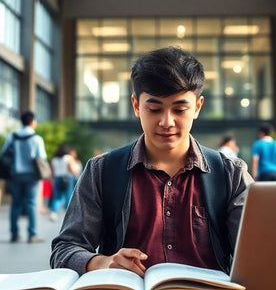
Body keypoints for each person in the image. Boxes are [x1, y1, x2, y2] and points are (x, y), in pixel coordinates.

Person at [50, 47, 254, 277]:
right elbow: (64, 249)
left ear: (197, 107)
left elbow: (256, 252)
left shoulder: (230, 173)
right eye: (154, 109)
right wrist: (105, 262)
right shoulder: (102, 171)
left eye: (180, 109)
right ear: (136, 106)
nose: (167, 122)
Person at [0, 111, 47, 243]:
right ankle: (32, 234)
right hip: (32, 176)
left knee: (16, 204)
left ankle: (14, 233)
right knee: (32, 203)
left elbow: (4, 154)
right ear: (32, 122)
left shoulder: (12, 137)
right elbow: (41, 158)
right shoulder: (37, 139)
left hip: (15, 175)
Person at [49, 144, 78, 221]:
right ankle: (69, 215)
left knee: (57, 197)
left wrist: (52, 181)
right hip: (67, 178)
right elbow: (72, 170)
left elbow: (52, 172)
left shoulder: (54, 159)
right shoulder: (68, 158)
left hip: (57, 178)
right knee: (68, 196)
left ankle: (53, 213)